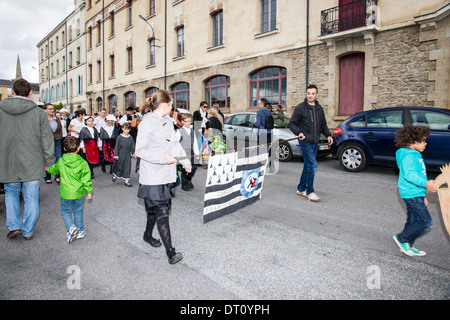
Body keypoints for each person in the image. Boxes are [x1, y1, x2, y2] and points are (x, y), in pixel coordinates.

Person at [135, 90, 192, 265]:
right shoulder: (147, 123)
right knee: (162, 210)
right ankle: (171, 252)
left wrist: (185, 162)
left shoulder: (168, 121)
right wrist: (163, 158)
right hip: (152, 175)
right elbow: (140, 151)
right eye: (171, 104)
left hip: (165, 175)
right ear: (164, 104)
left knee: (154, 209)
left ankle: (147, 235)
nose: (173, 106)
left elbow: (175, 145)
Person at [0, 78, 55, 240]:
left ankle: (14, 225)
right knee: (31, 197)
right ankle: (28, 230)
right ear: (30, 93)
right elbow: (47, 139)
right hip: (33, 160)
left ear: (13, 92)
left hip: (7, 160)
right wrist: (49, 162)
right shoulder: (39, 113)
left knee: (11, 193)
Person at [392, 125, 438, 257]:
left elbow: (417, 174)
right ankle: (402, 238)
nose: (425, 143)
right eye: (423, 141)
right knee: (425, 222)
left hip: (415, 193)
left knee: (413, 221)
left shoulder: (413, 154)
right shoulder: (409, 156)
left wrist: (422, 194)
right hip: (410, 194)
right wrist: (426, 183)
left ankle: (407, 245)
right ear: (412, 142)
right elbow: (409, 175)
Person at [289, 84, 333, 202]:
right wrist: (299, 133)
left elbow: (323, 125)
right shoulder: (300, 108)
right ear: (306, 94)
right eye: (308, 93)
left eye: (313, 93)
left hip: (315, 142)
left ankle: (301, 188)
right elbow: (292, 123)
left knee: (308, 166)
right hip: (305, 141)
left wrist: (328, 135)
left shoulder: (320, 109)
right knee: (313, 166)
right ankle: (310, 191)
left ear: (316, 95)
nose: (310, 95)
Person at [47, 136, 93, 243]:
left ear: (64, 149)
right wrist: (89, 191)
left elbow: (54, 170)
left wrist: (48, 169)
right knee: (78, 211)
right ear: (78, 148)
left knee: (65, 211)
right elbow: (86, 178)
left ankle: (71, 227)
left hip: (66, 192)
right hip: (78, 192)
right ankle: (80, 230)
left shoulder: (61, 161)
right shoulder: (82, 162)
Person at [176, 113, 200, 191]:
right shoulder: (179, 131)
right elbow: (176, 144)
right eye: (186, 121)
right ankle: (184, 183)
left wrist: (197, 153)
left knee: (194, 167)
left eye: (190, 121)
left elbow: (195, 143)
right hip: (183, 153)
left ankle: (188, 180)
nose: (188, 123)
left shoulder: (192, 131)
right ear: (182, 121)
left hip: (191, 152)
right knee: (185, 169)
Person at [42, 103, 63, 184]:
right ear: (45, 110)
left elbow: (60, 129)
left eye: (52, 109)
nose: (52, 110)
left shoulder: (56, 119)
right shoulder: (43, 119)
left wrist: (60, 137)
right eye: (50, 109)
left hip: (57, 140)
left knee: (58, 157)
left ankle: (57, 176)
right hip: (47, 141)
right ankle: (47, 176)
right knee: (48, 158)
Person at [112, 122, 136, 187]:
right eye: (125, 129)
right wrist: (116, 155)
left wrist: (133, 153)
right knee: (120, 166)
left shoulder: (130, 137)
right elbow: (117, 146)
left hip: (127, 154)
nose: (126, 131)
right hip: (121, 153)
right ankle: (115, 175)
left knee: (127, 166)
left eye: (128, 129)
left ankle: (126, 180)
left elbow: (132, 146)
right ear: (122, 129)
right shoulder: (120, 137)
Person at [254, 97, 273, 167]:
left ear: (262, 104)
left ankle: (260, 164)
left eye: (258, 103)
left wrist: (255, 122)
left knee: (261, 149)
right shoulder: (269, 112)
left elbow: (258, 124)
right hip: (269, 132)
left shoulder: (259, 112)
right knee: (269, 149)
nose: (257, 105)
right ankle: (270, 164)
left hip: (262, 133)